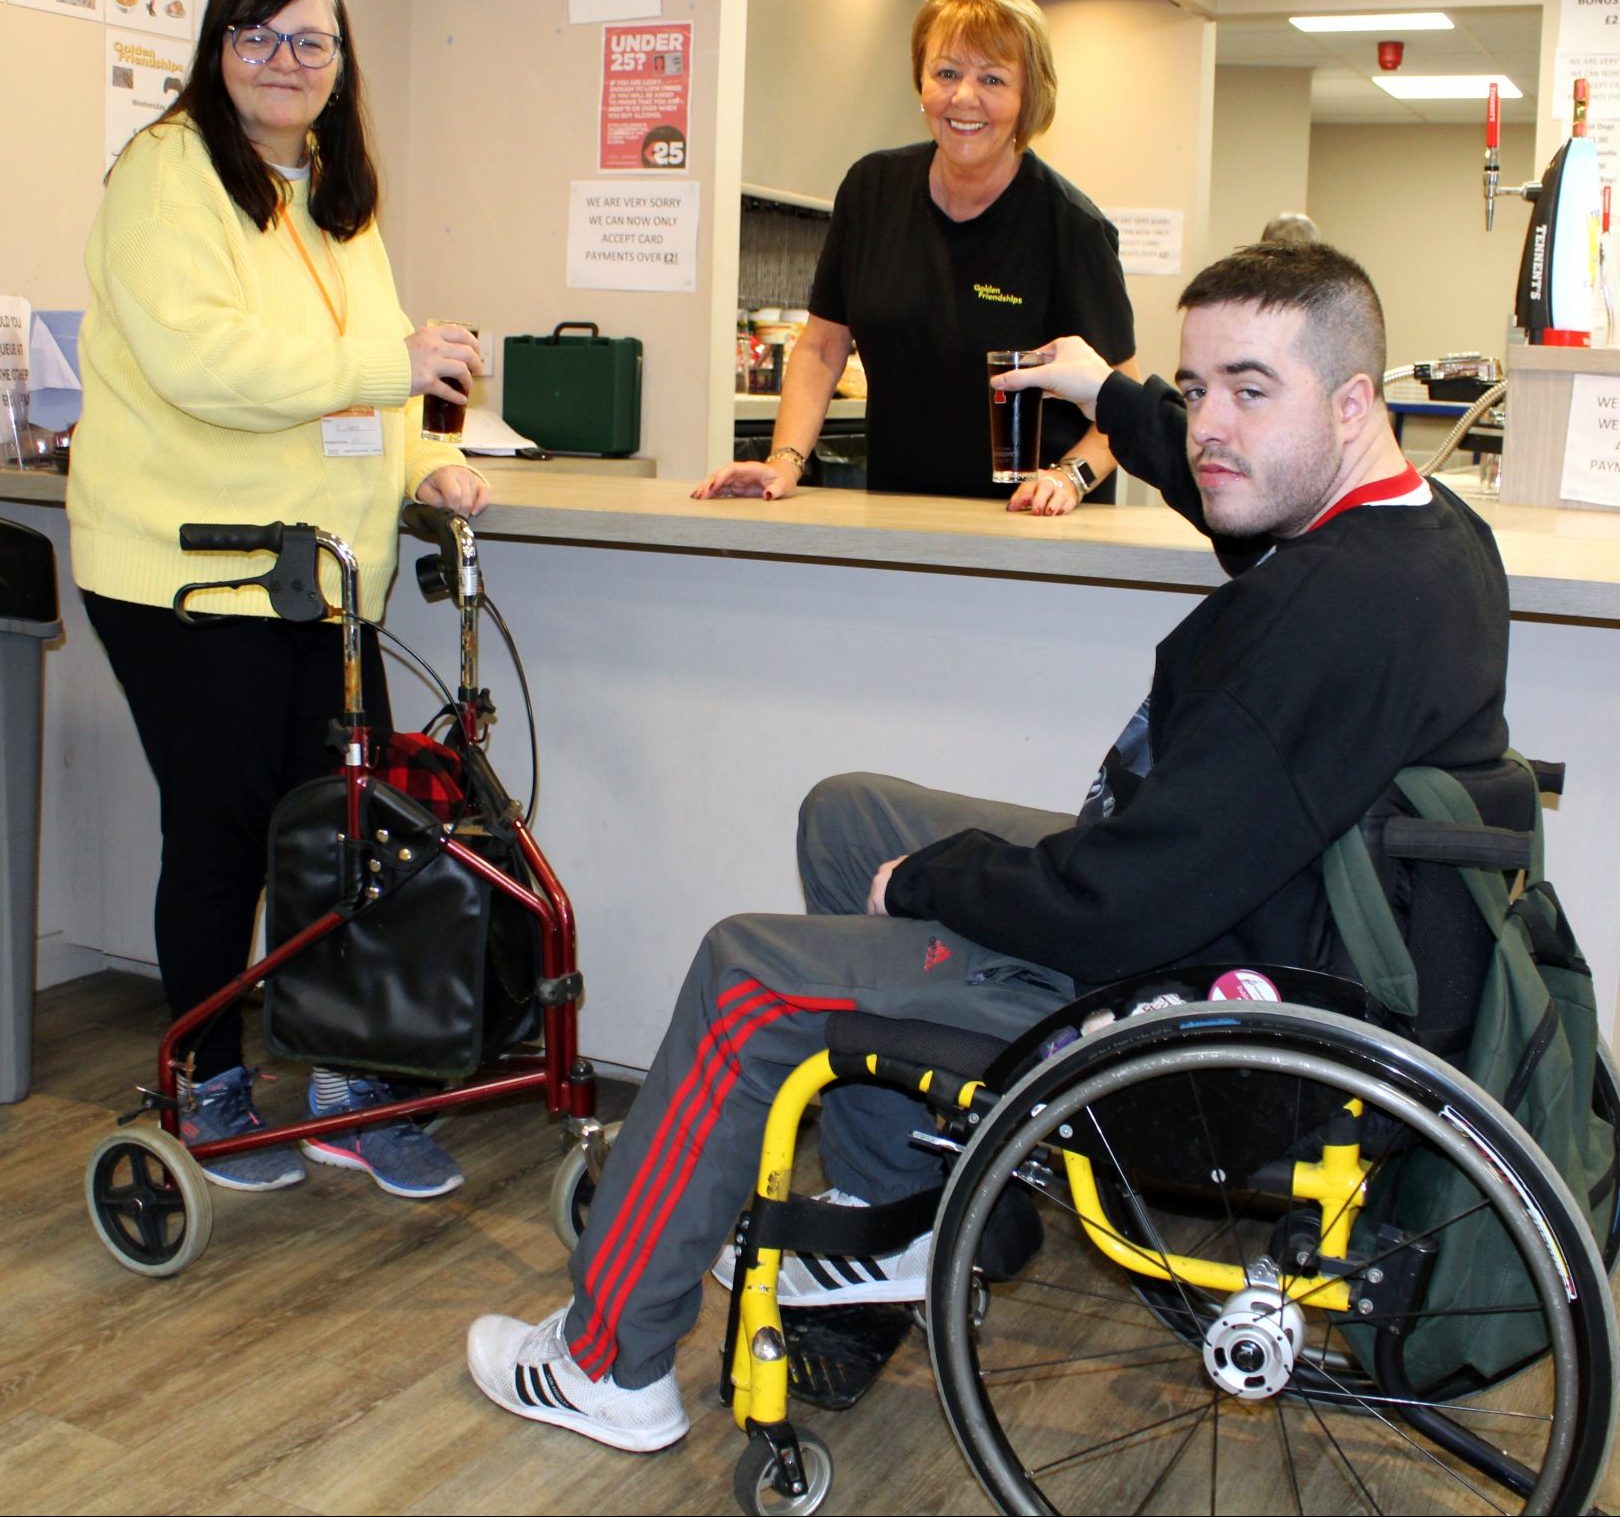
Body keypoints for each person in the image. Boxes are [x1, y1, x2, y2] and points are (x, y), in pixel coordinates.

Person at [466, 242, 1511, 1451]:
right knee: (846, 808)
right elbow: (1230, 493)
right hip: (1270, 914)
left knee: (748, 970)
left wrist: (934, 881)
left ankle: (606, 1361)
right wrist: (1108, 395)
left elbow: (1121, 900)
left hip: (1192, 999)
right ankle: (894, 1207)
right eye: (1191, 389)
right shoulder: (1421, 536)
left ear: (1349, 400)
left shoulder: (1322, 622)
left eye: (1246, 389)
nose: (1208, 427)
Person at [72, 0, 488, 1199]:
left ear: (341, 64)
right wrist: (392, 363)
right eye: (256, 38)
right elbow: (206, 360)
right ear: (217, 50)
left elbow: (373, 382)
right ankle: (200, 1083)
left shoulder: (335, 194)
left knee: (339, 836)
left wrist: (427, 464)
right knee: (225, 833)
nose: (284, 62)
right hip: (185, 574)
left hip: (319, 576)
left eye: (311, 42)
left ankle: (344, 1086)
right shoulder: (167, 172)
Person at [693, 0, 1135, 515]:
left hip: (1033, 522)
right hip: (900, 508)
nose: (963, 97)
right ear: (921, 81)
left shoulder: (1070, 227)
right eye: (946, 73)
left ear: (1028, 96)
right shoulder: (871, 189)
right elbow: (821, 346)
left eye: (993, 79)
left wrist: (1069, 477)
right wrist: (784, 460)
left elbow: (1125, 399)